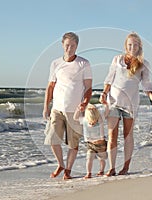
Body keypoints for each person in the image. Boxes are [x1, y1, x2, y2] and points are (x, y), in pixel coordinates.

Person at [99, 32, 152, 176]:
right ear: (126, 46)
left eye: (135, 44)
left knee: (128, 136)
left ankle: (125, 167)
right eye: (130, 44)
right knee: (112, 135)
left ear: (139, 46)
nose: (132, 47)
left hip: (130, 104)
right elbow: (109, 78)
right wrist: (104, 93)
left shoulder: (144, 64)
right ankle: (112, 168)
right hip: (113, 102)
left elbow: (146, 84)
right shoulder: (117, 59)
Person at [43, 32, 92, 180]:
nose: (69, 48)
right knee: (52, 139)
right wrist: (46, 106)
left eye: (72, 46)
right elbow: (50, 87)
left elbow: (88, 88)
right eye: (67, 45)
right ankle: (61, 164)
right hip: (57, 109)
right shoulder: (55, 64)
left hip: (75, 110)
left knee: (73, 143)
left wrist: (85, 102)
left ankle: (68, 170)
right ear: (62, 45)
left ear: (77, 46)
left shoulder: (84, 63)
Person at [73, 103, 109, 179]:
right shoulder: (85, 120)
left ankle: (101, 170)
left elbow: (106, 112)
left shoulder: (100, 120)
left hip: (101, 143)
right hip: (90, 144)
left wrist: (106, 105)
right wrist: (78, 109)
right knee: (89, 158)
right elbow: (75, 117)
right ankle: (88, 173)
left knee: (101, 159)